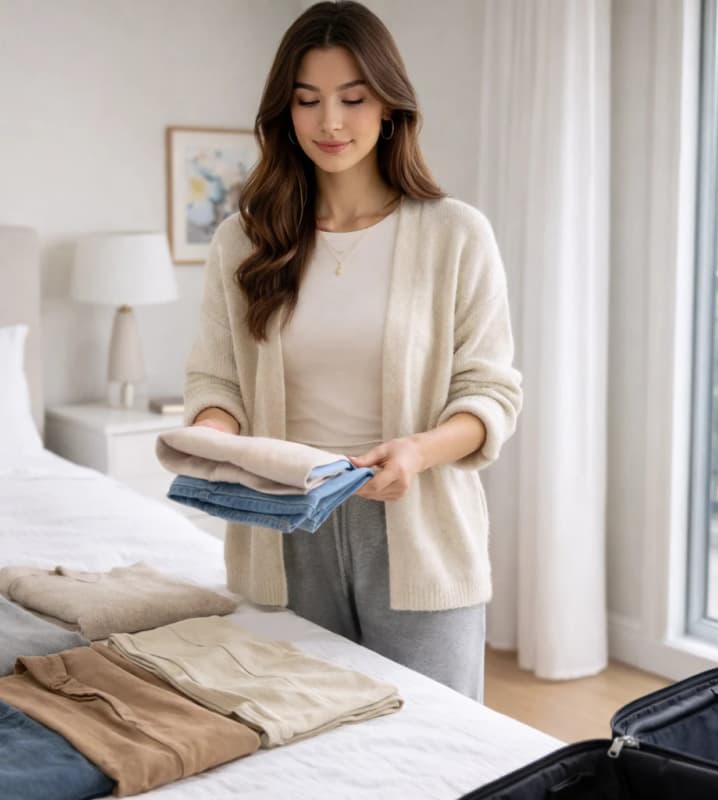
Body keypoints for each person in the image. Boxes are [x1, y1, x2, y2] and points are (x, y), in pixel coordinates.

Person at [183, 0, 522, 701]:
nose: (330, 122)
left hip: (418, 525)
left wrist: (417, 452)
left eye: (352, 98)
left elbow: (490, 392)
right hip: (284, 525)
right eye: (308, 101)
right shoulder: (243, 242)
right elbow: (216, 380)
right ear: (286, 112)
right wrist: (213, 438)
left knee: (436, 746)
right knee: (303, 742)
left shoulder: (456, 233)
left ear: (390, 106)